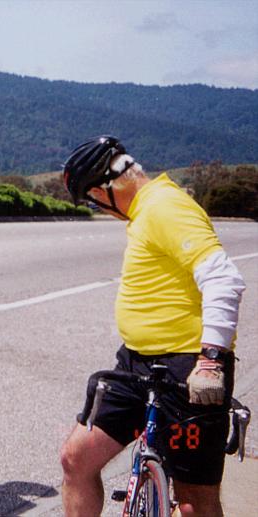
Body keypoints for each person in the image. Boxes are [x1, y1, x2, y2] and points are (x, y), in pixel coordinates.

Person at [59, 136, 246, 516]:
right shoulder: (146, 209)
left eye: (94, 202)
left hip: (188, 367)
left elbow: (223, 279)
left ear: (102, 191)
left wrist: (210, 359)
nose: (101, 210)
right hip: (137, 363)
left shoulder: (165, 207)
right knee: (76, 459)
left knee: (194, 502)